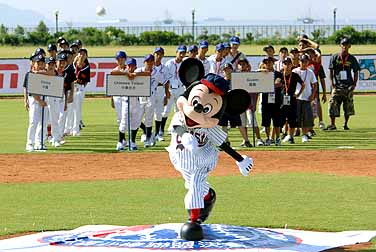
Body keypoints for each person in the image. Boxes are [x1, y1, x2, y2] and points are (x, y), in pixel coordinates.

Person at [326, 38, 360, 130]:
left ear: (349, 46)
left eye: (346, 44)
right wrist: (332, 83)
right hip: (337, 86)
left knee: (348, 106)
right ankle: (332, 124)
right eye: (343, 44)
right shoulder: (335, 57)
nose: (345, 46)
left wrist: (354, 84)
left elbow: (356, 71)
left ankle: (345, 124)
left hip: (348, 86)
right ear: (340, 45)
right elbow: (331, 71)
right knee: (333, 104)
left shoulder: (352, 59)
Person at [160, 45, 187, 137]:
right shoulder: (169, 63)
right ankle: (161, 130)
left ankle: (173, 129)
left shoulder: (184, 64)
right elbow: (165, 78)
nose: (182, 55)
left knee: (178, 110)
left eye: (184, 53)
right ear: (176, 53)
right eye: (180, 53)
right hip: (171, 89)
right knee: (166, 110)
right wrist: (166, 91)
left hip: (180, 88)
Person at [237, 57, 263, 147]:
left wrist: (254, 103)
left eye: (243, 64)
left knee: (252, 122)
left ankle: (259, 139)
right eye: (240, 64)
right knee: (242, 123)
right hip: (240, 104)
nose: (242, 66)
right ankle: (245, 140)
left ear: (247, 65)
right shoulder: (236, 76)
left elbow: (256, 92)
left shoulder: (252, 75)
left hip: (249, 103)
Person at [24, 54, 48, 151]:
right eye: (39, 63)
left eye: (42, 63)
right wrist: (39, 100)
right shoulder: (30, 74)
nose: (41, 65)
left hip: (44, 99)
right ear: (34, 63)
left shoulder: (46, 74)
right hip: (34, 100)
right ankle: (30, 143)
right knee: (33, 121)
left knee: (43, 122)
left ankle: (40, 142)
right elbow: (30, 90)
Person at [280, 57, 305, 144]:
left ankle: (291, 136)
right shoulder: (280, 74)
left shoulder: (294, 75)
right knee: (280, 118)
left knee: (292, 119)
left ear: (292, 65)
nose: (287, 65)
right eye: (285, 63)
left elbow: (303, 84)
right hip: (281, 99)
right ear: (282, 65)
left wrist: (298, 94)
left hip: (292, 99)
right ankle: (280, 135)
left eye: (289, 63)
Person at [293, 54, 317, 143]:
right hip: (296, 98)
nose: (304, 63)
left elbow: (315, 84)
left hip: (307, 97)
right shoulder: (295, 71)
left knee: (306, 118)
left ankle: (304, 135)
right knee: (296, 117)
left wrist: (312, 95)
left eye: (306, 61)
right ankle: (293, 133)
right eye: (302, 61)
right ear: (299, 62)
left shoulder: (310, 72)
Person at [135, 54, 157, 147]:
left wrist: (166, 94)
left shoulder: (157, 72)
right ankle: (133, 139)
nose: (149, 63)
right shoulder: (139, 70)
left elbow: (165, 82)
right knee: (136, 119)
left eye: (151, 61)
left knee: (149, 119)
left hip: (151, 96)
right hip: (140, 97)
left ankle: (148, 139)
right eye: (147, 61)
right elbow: (133, 76)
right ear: (144, 62)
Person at [260, 57, 283, 146]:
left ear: (273, 63)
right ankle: (268, 138)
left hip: (276, 101)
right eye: (266, 63)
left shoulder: (278, 74)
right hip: (265, 100)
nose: (268, 64)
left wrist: (267, 84)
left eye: (270, 62)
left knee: (276, 121)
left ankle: (277, 138)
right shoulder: (261, 74)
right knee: (266, 122)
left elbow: (278, 83)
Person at [71, 48, 90, 136]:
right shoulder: (73, 64)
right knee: (70, 109)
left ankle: (76, 129)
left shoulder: (87, 66)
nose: (81, 55)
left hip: (80, 88)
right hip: (71, 88)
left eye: (83, 54)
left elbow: (86, 80)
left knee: (77, 109)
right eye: (80, 53)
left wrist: (81, 87)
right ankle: (69, 128)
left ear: (86, 56)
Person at [153, 47, 170, 142]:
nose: (158, 56)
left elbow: (167, 82)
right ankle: (146, 133)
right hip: (150, 90)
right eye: (157, 54)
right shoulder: (149, 66)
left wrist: (166, 94)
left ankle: (157, 134)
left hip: (160, 90)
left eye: (160, 54)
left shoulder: (165, 68)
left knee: (159, 113)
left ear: (163, 55)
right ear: (154, 54)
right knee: (147, 112)